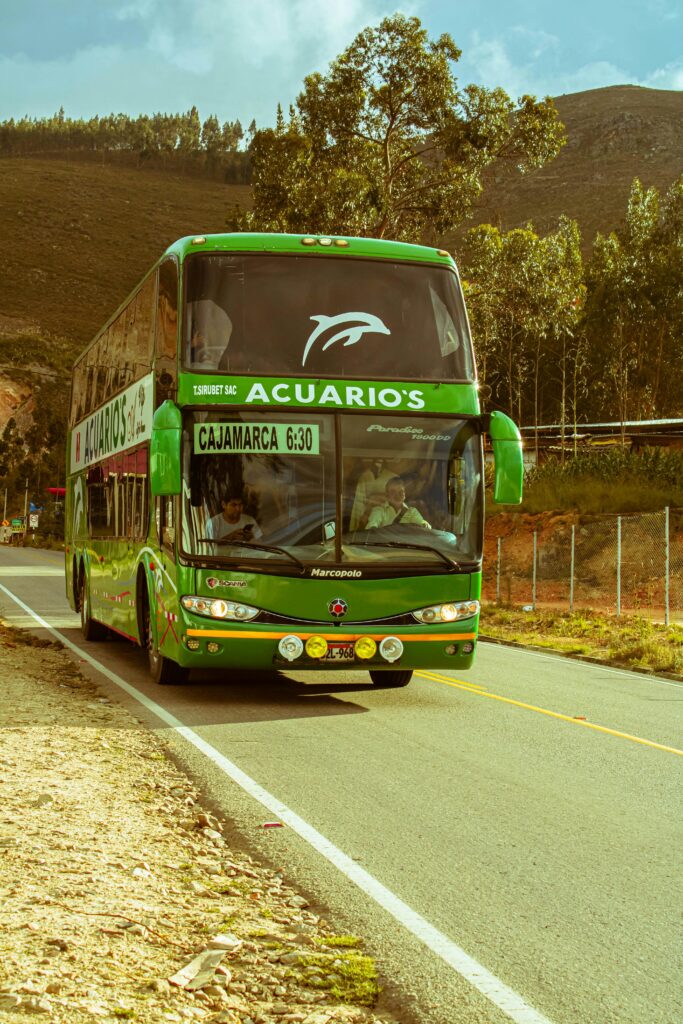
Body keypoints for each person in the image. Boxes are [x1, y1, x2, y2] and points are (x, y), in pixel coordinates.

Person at [366, 477, 431, 530]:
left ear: (404, 494)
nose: (397, 495)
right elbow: (371, 528)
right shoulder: (379, 510)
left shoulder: (412, 512)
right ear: (387, 495)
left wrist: (424, 524)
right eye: (393, 492)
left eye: (401, 491)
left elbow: (423, 524)